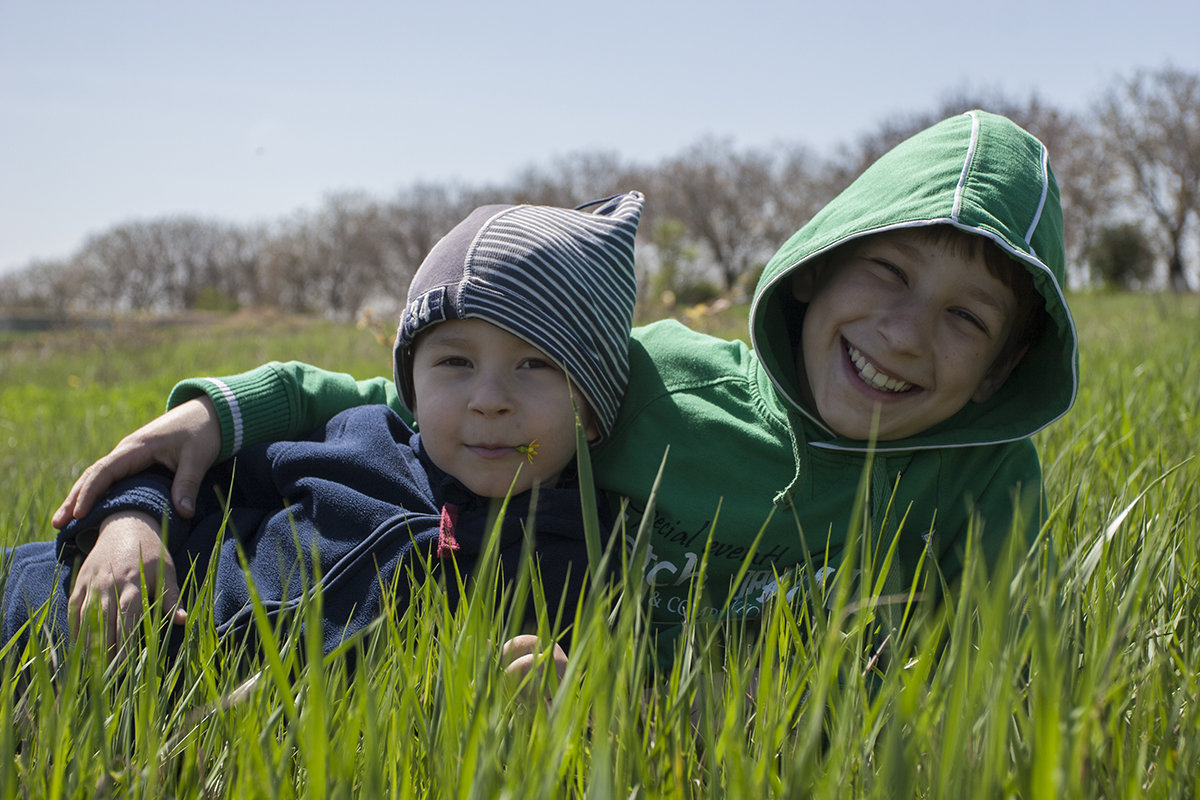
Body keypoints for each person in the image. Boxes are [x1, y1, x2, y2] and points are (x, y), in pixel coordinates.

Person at [54, 110, 1079, 662]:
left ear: (1001, 367)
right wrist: (208, 416)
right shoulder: (664, 382)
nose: (905, 334)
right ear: (809, 276)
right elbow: (412, 401)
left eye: (967, 317)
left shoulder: (983, 481)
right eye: (888, 274)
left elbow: (1005, 668)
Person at [3, 191, 645, 658]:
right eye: (454, 361)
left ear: (591, 408)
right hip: (37, 605)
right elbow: (187, 472)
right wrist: (128, 525)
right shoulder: (360, 441)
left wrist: (562, 695)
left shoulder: (588, 554)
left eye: (534, 363)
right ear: (411, 384)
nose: (488, 400)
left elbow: (592, 697)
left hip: (176, 712)